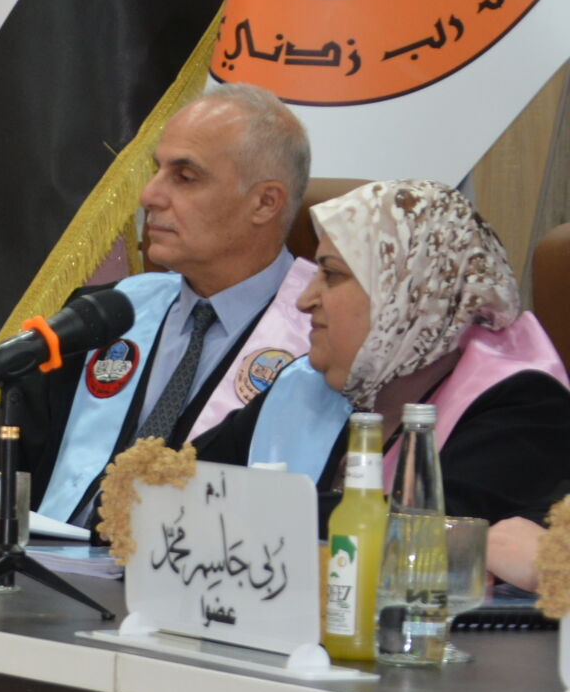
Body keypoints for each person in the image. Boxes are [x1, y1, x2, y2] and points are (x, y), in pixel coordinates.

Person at [9, 83, 323, 525]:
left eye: (185, 177)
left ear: (265, 203)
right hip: (53, 561)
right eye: (157, 170)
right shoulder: (107, 314)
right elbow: (11, 451)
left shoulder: (321, 339)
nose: (149, 196)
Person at [197, 180, 570, 546]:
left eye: (331, 274)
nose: (304, 300)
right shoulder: (307, 383)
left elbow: (425, 534)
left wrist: (239, 507)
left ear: (412, 294)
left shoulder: (523, 405)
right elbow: (183, 483)